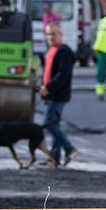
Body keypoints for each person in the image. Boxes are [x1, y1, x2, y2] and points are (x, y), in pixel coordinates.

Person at [40, 23, 77, 166]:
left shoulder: (64, 52)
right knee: (55, 124)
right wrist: (43, 87)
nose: (51, 37)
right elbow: (48, 72)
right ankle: (55, 158)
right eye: (48, 34)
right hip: (51, 94)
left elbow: (63, 75)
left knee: (49, 124)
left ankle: (69, 149)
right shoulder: (52, 50)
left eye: (54, 34)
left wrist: (48, 87)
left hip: (58, 94)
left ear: (60, 34)